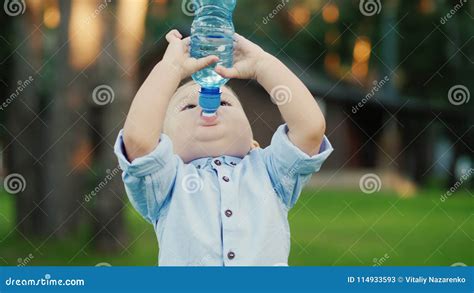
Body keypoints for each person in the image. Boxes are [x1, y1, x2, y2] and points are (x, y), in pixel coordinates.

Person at [114, 29, 334, 266]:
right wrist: (170, 69)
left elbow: (310, 129)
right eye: (188, 106)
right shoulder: (166, 183)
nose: (208, 106)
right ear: (164, 147)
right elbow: (138, 141)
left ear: (253, 144)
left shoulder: (269, 172)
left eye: (226, 102)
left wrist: (263, 65)